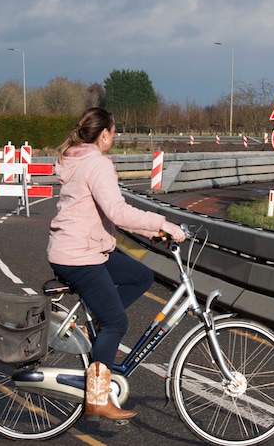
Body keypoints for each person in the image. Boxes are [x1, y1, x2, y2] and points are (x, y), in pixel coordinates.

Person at [48, 107, 186, 420]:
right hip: (79, 256)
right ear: (105, 134)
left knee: (139, 275)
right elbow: (117, 211)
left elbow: (114, 216)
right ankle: (97, 397)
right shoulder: (95, 163)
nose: (115, 136)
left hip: (82, 250)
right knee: (116, 323)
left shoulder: (77, 158)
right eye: (114, 132)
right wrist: (164, 224)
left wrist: (152, 230)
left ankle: (96, 322)